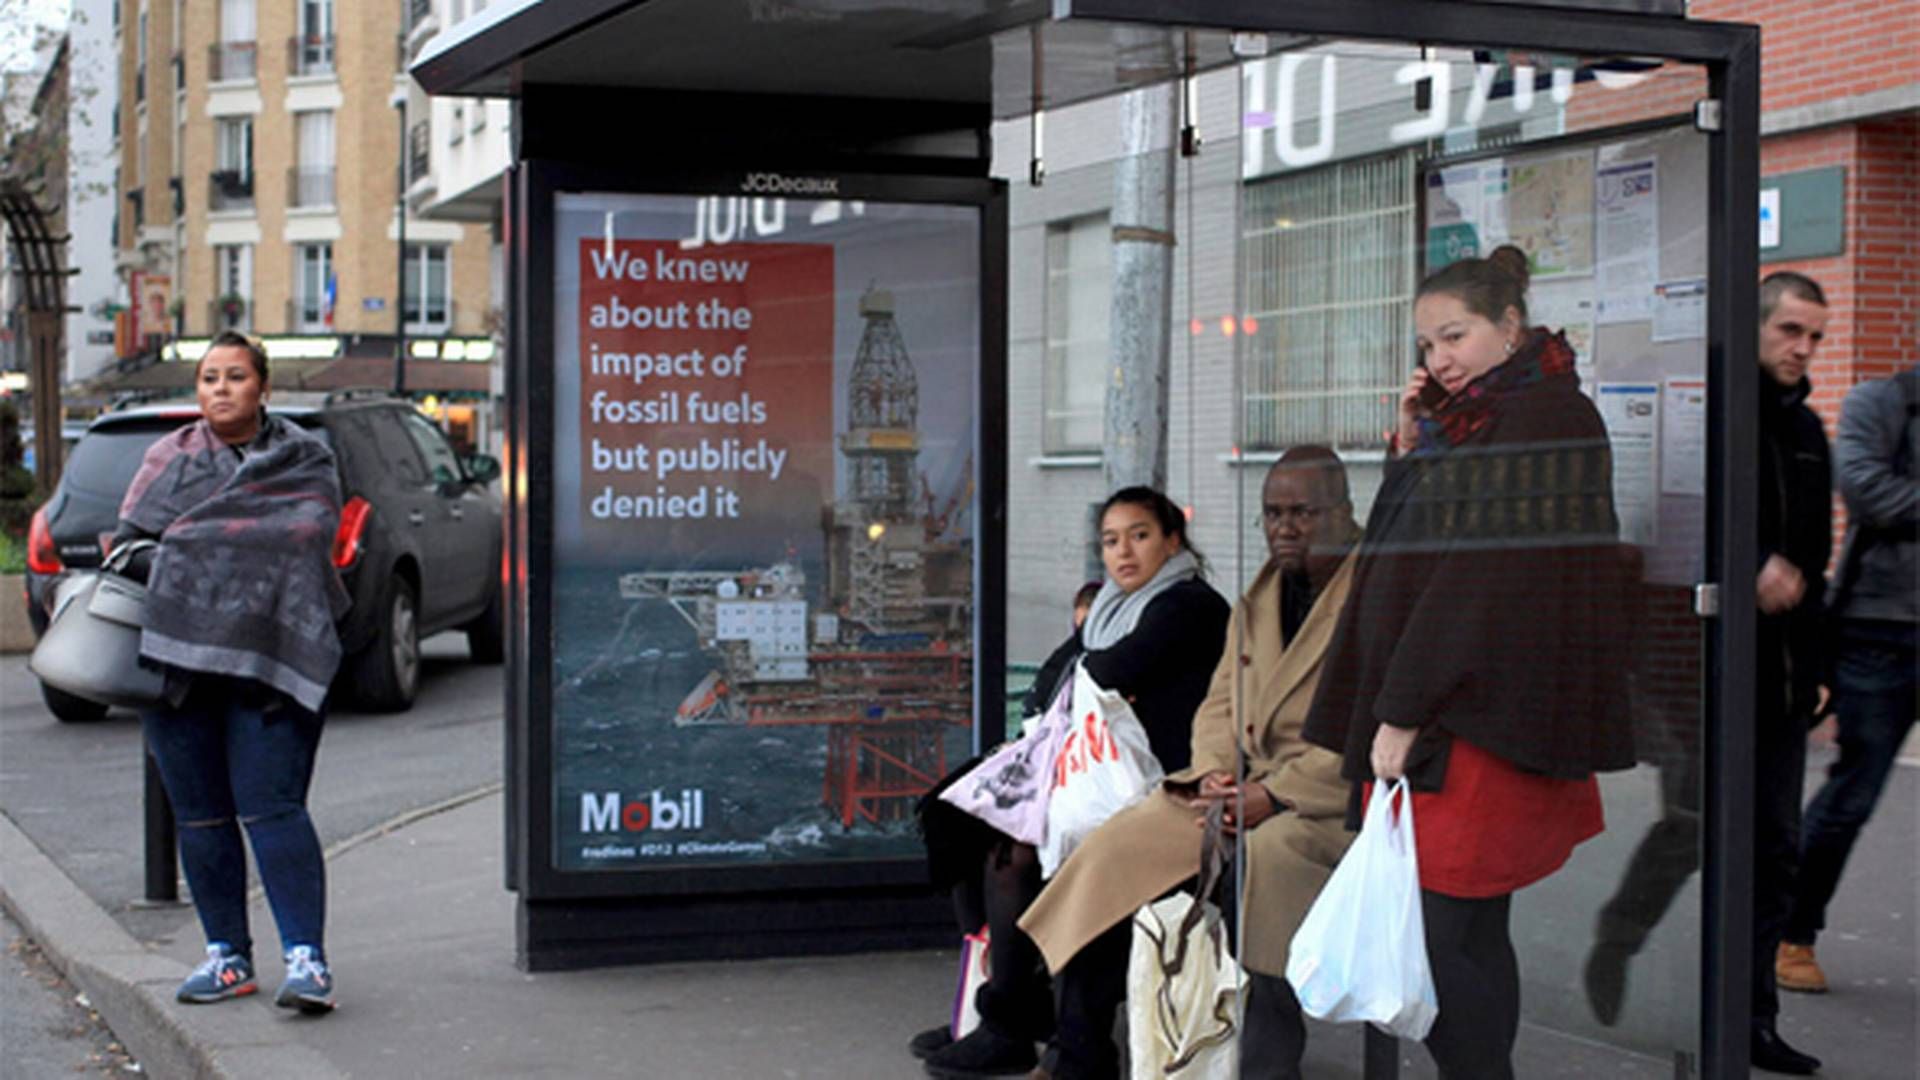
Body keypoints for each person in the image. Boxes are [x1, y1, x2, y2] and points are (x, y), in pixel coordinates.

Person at [1302, 245, 1635, 1080]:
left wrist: (1404, 709)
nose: (1438, 359)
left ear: (1510, 327)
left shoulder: (1541, 416)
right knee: (1474, 930)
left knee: (1437, 935)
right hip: (1470, 713)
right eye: (1427, 345)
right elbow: (1412, 543)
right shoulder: (1484, 417)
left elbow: (1480, 580)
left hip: (1472, 721)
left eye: (1454, 336)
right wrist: (1414, 444)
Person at [1018, 447, 1363, 1080]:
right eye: (1273, 513)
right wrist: (1212, 772)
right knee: (1110, 847)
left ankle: (1263, 1062)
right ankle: (1077, 1049)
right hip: (1230, 788)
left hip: (1321, 804)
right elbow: (1220, 704)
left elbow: (1370, 728)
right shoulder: (1263, 595)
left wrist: (1275, 794)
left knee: (1265, 868)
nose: (1285, 527)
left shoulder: (1371, 592)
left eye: (1303, 512)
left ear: (1343, 511)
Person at [916, 487, 1229, 1079]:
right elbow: (1052, 681)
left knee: (1041, 856)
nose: (1123, 552)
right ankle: (1009, 1008)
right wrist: (1087, 676)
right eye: (1110, 541)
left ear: (1172, 540)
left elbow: (1107, 668)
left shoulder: (1191, 605)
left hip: (1160, 786)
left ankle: (1025, 1026)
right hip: (1095, 775)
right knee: (967, 821)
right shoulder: (1113, 605)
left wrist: (1091, 674)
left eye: (1139, 536)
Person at [115, 331, 351, 1014]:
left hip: (274, 661)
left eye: (235, 376)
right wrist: (221, 553)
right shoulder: (168, 460)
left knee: (274, 808)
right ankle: (227, 957)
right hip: (179, 665)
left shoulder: (305, 458)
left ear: (263, 387)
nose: (220, 388)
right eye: (209, 378)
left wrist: (197, 548)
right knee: (202, 817)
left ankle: (307, 960)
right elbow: (127, 543)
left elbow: (310, 537)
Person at [1777, 365, 1914, 996]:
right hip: (1879, 629)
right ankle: (1792, 932)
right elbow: (1866, 491)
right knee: (1854, 795)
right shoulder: (1881, 400)